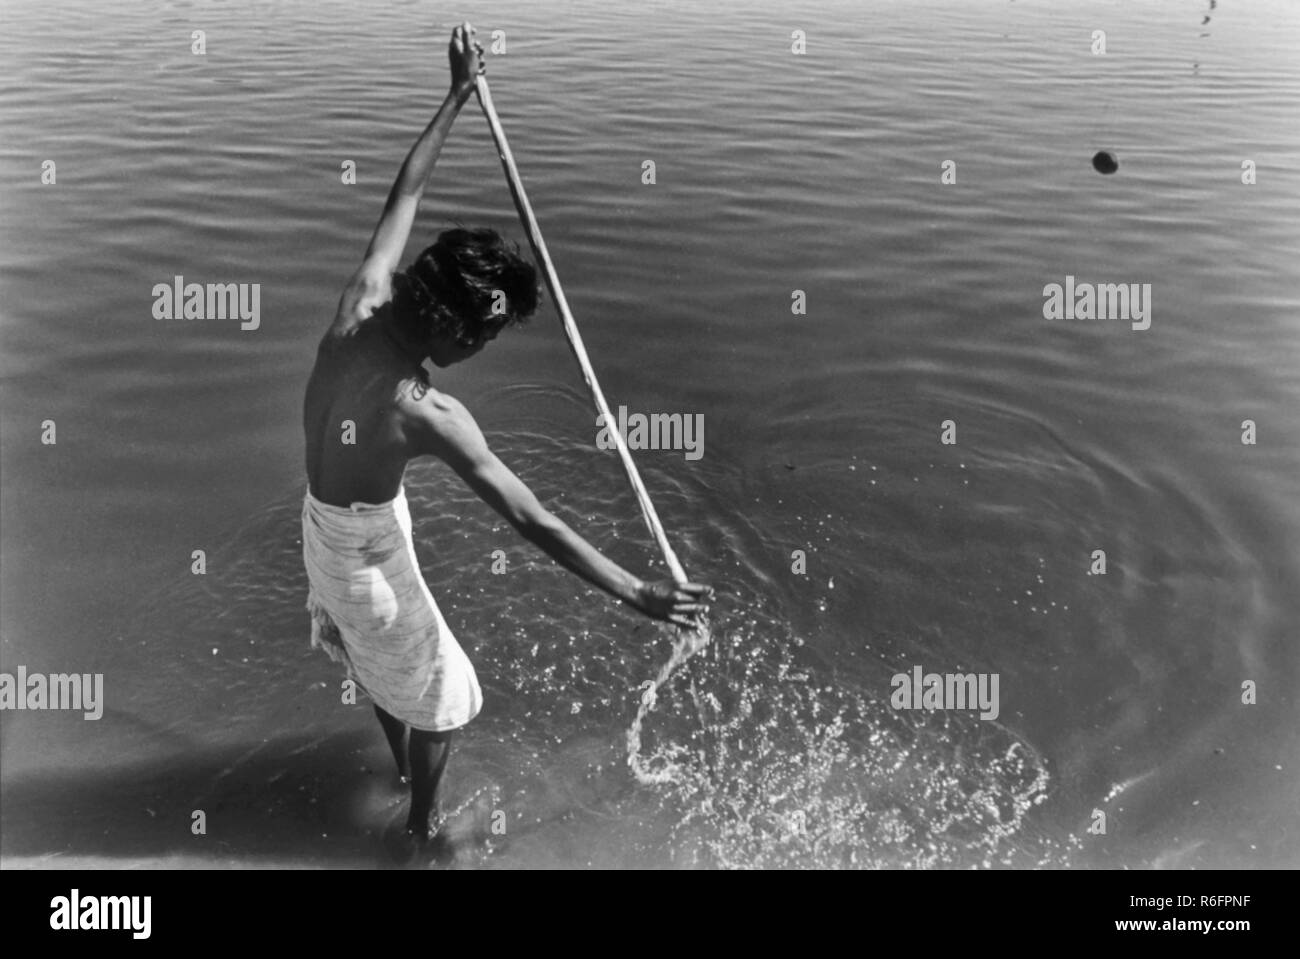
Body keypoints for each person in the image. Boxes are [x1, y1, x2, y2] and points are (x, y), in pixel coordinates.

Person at [300, 22, 711, 854]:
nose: (478, 355)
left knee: (388, 671)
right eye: (480, 342)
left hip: (322, 527)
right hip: (365, 558)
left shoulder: (363, 303)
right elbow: (534, 522)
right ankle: (421, 829)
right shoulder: (426, 414)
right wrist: (642, 594)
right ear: (449, 330)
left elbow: (402, 197)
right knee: (449, 697)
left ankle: (404, 774)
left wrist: (455, 94)